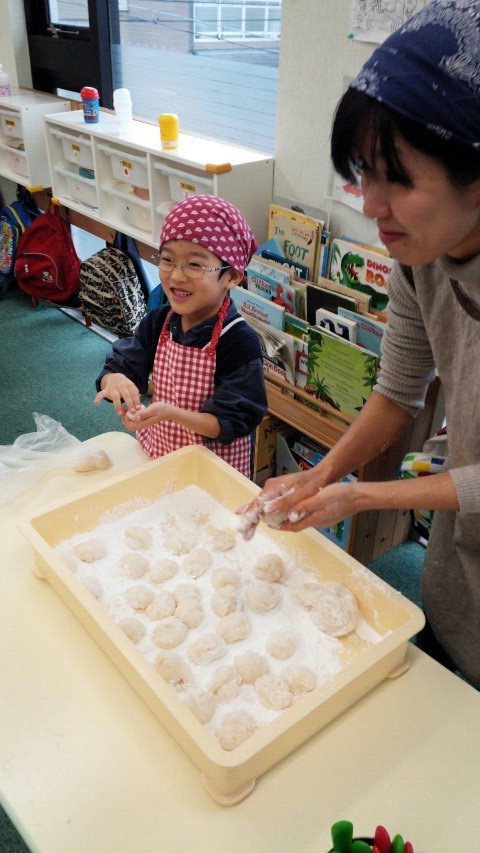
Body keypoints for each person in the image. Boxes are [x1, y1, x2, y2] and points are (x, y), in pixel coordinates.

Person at [238, 0, 480, 689]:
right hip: (463, 558)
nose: (370, 205)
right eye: (362, 172)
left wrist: (363, 498)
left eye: (395, 179)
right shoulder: (418, 256)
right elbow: (398, 393)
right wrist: (325, 474)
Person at [95, 195, 267, 477]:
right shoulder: (158, 321)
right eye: (167, 260)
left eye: (195, 265)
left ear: (232, 277)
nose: (176, 276)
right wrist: (116, 380)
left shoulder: (238, 341)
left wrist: (171, 414)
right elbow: (124, 362)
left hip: (214, 472)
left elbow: (228, 422)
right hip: (160, 454)